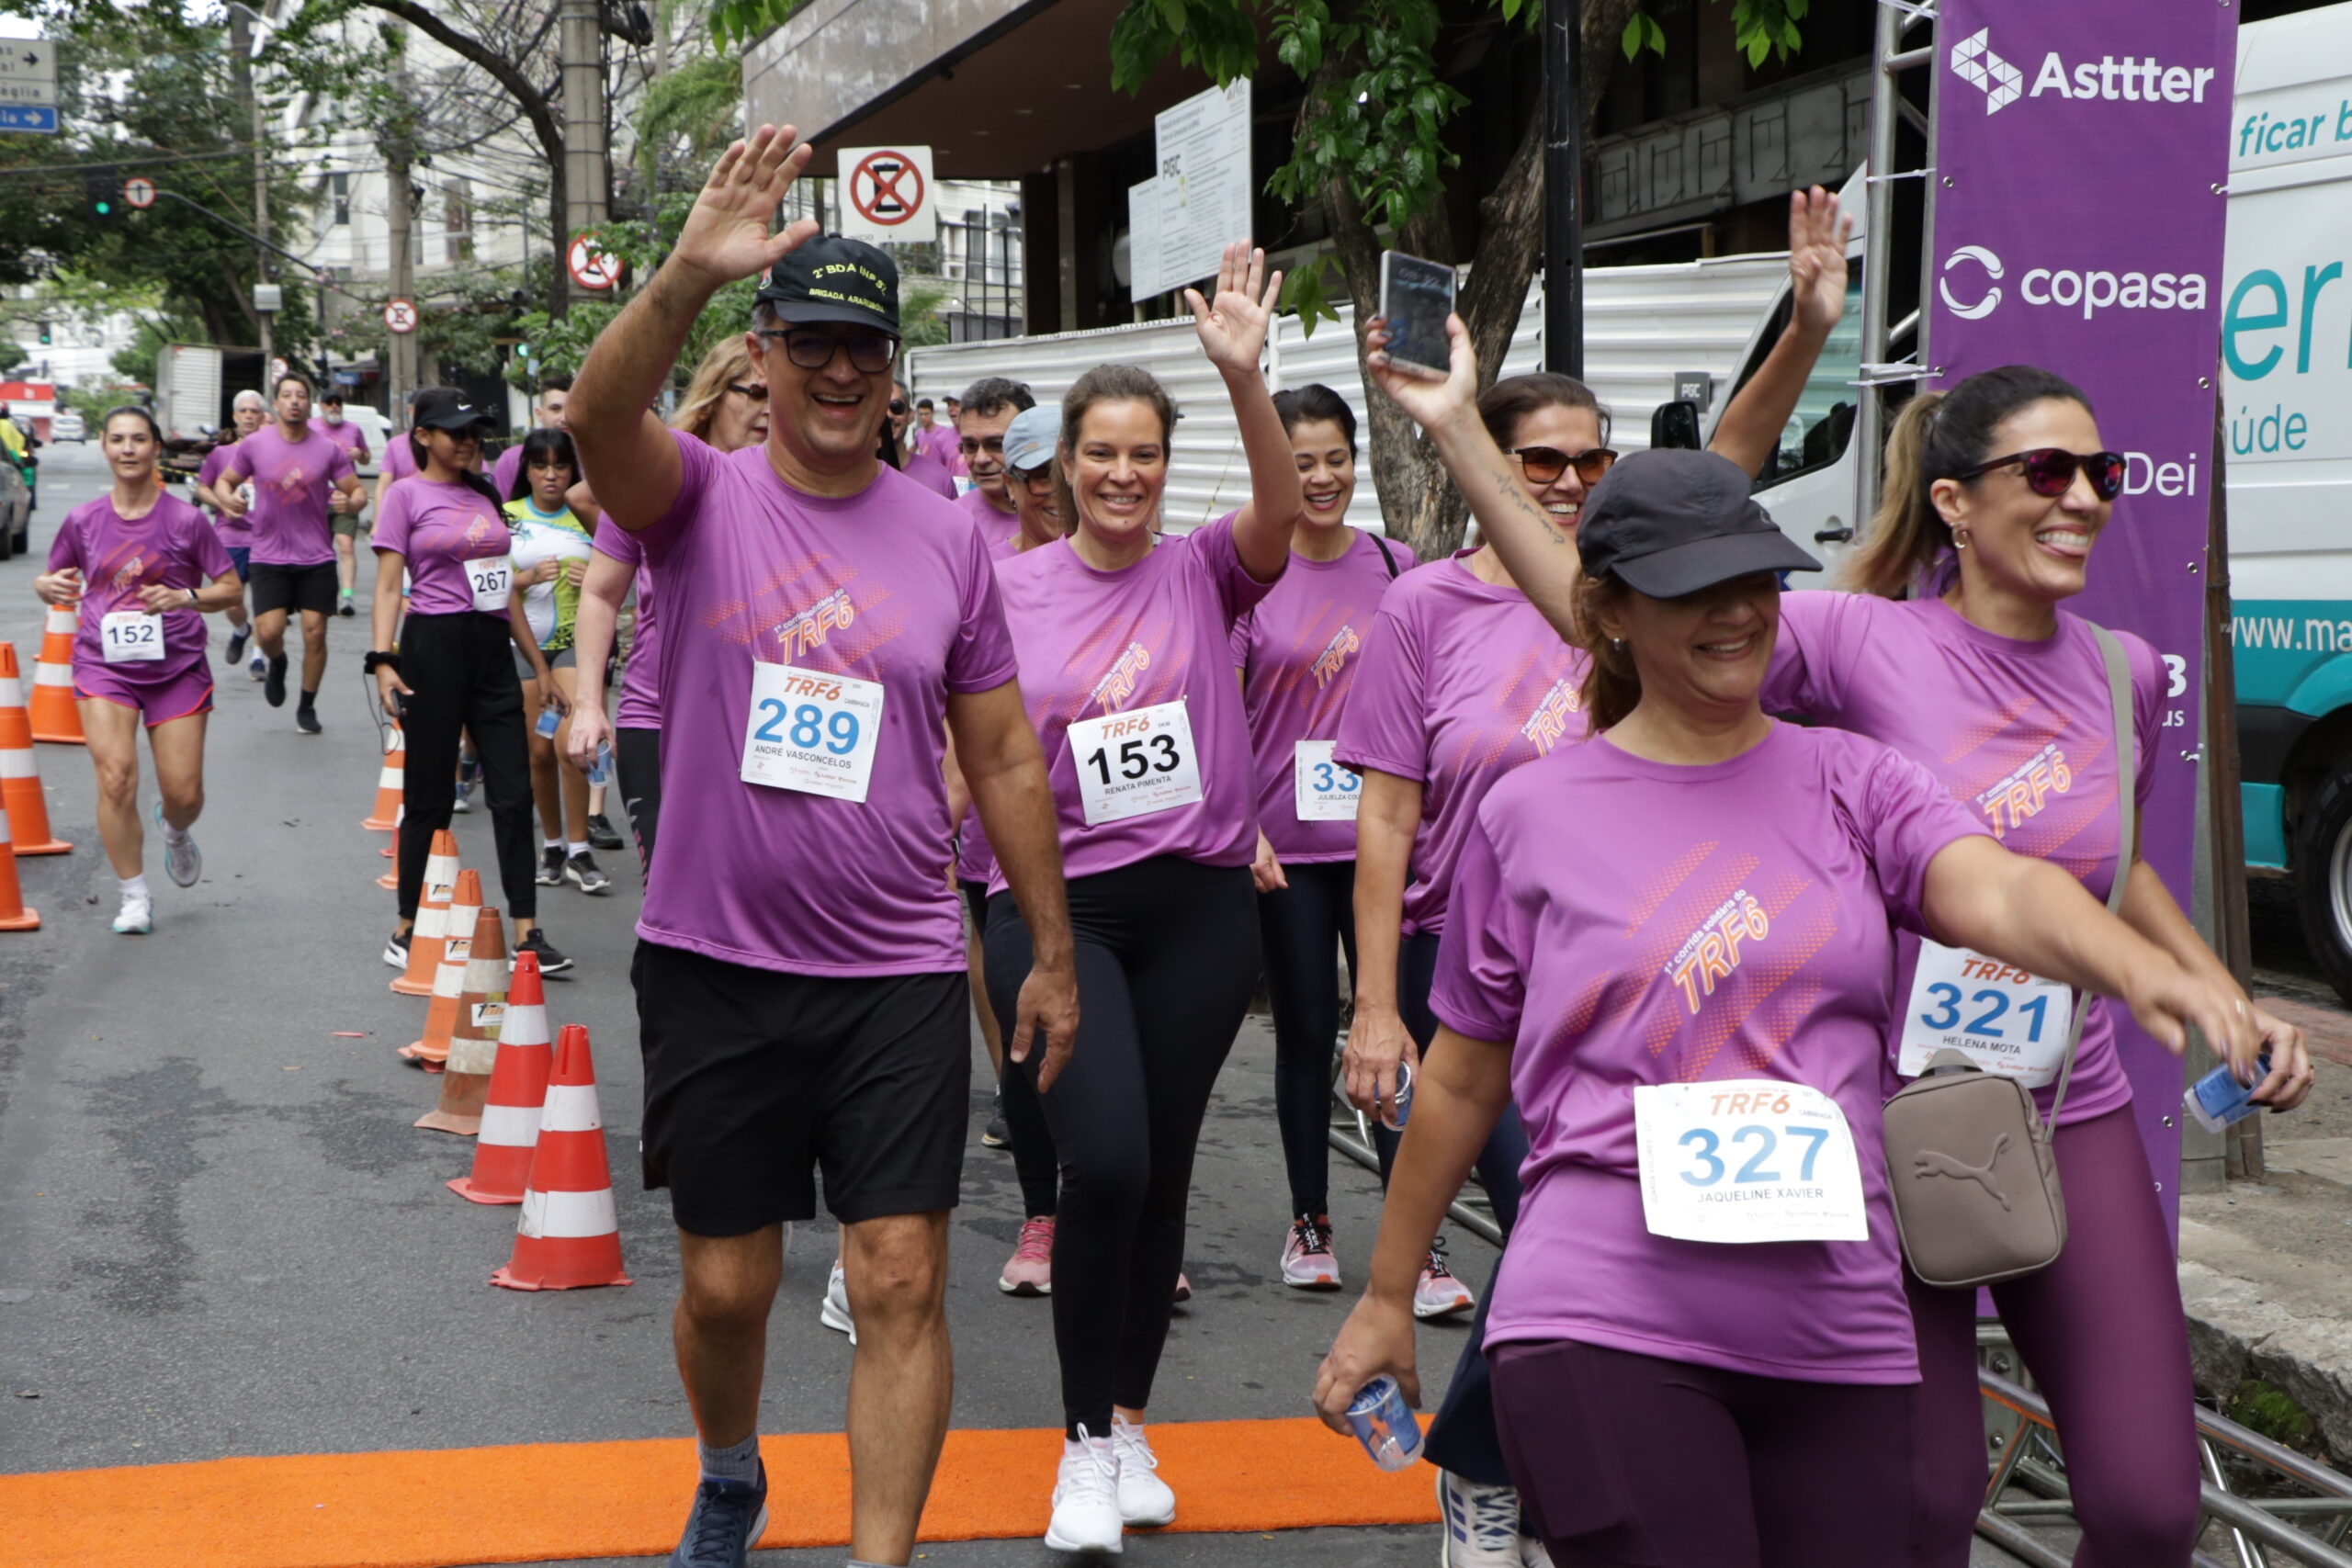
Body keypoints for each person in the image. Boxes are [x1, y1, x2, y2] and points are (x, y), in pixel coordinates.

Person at [1313, 359, 2265, 1563]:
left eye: (1757, 581)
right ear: (1610, 610)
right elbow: (1462, 1077)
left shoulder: (1858, 782)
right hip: (1606, 1304)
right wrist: (1389, 1293)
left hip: (1837, 1315)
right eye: (1693, 588)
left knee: (2049, 1510)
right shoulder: (1534, 811)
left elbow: (2001, 883)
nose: (1739, 611)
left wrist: (2142, 966)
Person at [564, 125, 1079, 1568]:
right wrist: (681, 272)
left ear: (894, 368)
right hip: (715, 961)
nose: (839, 371)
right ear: (767, 356)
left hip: (897, 967)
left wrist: (1045, 948)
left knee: (903, 1273)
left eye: (865, 348)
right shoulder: (699, 502)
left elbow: (1002, 750)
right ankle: (729, 1468)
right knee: (729, 1287)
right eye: (812, 345)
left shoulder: (949, 538)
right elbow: (601, 424)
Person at [1334, 186, 1862, 1567]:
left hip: (1649, 975)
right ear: (1494, 470)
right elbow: (1386, 815)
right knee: (1558, 1235)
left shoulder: (1651, 599)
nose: (1568, 481)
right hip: (1484, 979)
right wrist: (1376, 1004)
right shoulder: (1425, 609)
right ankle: (1506, 1467)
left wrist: (1810, 322)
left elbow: (1729, 464)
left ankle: (1500, 1455)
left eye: (1588, 460)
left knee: (1574, 1254)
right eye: (1542, 460)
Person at [1752, 367, 2316, 1568]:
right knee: (1926, 1491)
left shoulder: (2128, 671)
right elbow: (1653, 615)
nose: (2083, 498)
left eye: (2100, 473)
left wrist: (2222, 993)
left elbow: (2112, 872)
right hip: (1882, 1109)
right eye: (2046, 472)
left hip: (2071, 1102)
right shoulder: (1861, 639)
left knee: (2150, 1504)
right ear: (1953, 502)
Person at [976, 241, 1300, 1554]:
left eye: (1144, 454)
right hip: (1057, 912)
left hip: (1199, 907)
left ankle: (1124, 1421)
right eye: (1099, 454)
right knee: (1096, 1156)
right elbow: (972, 746)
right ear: (1060, 468)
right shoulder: (1002, 587)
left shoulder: (1205, 569)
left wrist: (1242, 377)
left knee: (1160, 1165)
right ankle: (1076, 1451)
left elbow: (1280, 507)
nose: (1122, 474)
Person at [1233, 383, 1417, 1292]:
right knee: (1308, 1034)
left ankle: (1414, 1239)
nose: (1321, 476)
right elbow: (1218, 712)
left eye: (1334, 458)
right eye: (1299, 461)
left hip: (1386, 843)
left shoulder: (1396, 563)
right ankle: (1309, 1223)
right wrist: (1242, 826)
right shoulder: (1246, 572)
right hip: (1288, 851)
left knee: (1399, 1032)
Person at [369, 388, 571, 976]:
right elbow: (387, 586)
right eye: (454, 431)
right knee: (429, 796)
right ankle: (409, 925)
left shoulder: (485, 494)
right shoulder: (405, 496)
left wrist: (536, 665)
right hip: (432, 648)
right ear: (423, 437)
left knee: (513, 793)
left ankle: (527, 932)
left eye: (474, 431)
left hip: (490, 652)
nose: (467, 440)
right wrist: (384, 659)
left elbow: (501, 588)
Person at [33, 407, 243, 933]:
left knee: (184, 794)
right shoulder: (83, 521)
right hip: (105, 666)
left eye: (139, 440)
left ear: (155, 450)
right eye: (119, 440)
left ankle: (174, 831)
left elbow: (230, 589)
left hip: (177, 668)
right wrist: (46, 587)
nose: (128, 449)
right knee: (116, 777)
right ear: (104, 446)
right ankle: (134, 896)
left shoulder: (186, 520)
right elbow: (52, 575)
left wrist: (186, 596)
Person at [567, 337, 772, 874]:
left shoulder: (795, 485)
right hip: (659, 721)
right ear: (712, 396)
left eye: (778, 395)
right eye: (753, 392)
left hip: (765, 730)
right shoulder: (659, 480)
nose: (767, 409)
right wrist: (589, 704)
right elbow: (600, 592)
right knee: (671, 890)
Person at [952, 402, 1065, 1291]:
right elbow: (963, 736)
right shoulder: (987, 585)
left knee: (1118, 1053)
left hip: (1127, 852)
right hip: (1007, 856)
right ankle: (1042, 1216)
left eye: (1067, 469)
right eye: (1037, 476)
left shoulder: (1152, 573)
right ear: (1012, 484)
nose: (1056, 492)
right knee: (1026, 1042)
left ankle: (1127, 1231)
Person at [216, 372, 366, 733]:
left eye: (301, 395)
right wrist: (227, 498)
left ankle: (307, 705)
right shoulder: (255, 445)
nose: (294, 400)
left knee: (316, 632)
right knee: (267, 632)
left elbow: (358, 491)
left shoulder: (327, 449)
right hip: (268, 555)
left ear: (308, 403)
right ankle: (277, 661)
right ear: (277, 402)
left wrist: (352, 503)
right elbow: (225, 481)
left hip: (316, 556)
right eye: (287, 395)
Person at [503, 428, 605, 895]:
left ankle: (580, 850)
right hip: (522, 646)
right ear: (526, 469)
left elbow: (627, 580)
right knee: (539, 752)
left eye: (560, 466)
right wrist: (522, 579)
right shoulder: (506, 518)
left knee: (573, 748)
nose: (550, 475)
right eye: (540, 466)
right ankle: (552, 843)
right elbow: (491, 590)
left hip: (571, 645)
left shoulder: (586, 515)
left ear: (572, 471)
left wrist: (596, 579)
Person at [194, 389, 266, 674]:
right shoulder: (221, 453)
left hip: (266, 538)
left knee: (264, 600)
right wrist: (222, 502)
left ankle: (258, 657)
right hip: (230, 535)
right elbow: (202, 487)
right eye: (244, 411)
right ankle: (241, 630)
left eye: (254, 411)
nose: (249, 415)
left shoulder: (274, 450)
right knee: (232, 600)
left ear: (261, 417)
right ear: (235, 417)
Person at [311, 390, 373, 617]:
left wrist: (359, 454)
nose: (334, 406)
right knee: (320, 550)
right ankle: (321, 595)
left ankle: (347, 596)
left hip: (346, 495)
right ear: (321, 405)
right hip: (316, 497)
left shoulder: (353, 429)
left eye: (338, 402)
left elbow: (366, 457)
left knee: (346, 545)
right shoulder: (310, 427)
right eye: (330, 402)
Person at [951, 378, 1032, 548]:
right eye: (970, 446)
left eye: (997, 445)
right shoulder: (951, 523)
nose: (981, 459)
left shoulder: (1067, 514)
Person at [493, 375, 572, 498]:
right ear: (539, 414)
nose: (564, 418)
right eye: (555, 408)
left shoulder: (595, 460)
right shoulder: (511, 460)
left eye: (572, 409)